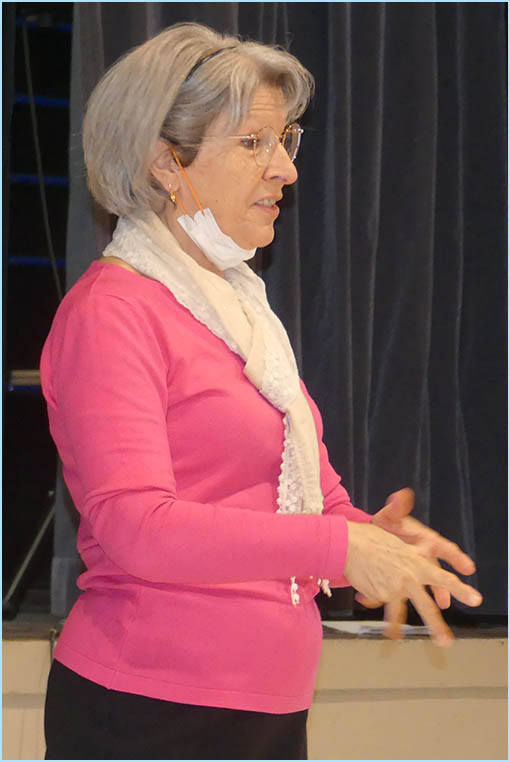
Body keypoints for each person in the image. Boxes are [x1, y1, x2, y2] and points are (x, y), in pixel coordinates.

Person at [41, 22, 482, 761]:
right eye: (253, 143)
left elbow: (308, 505)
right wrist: (340, 546)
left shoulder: (241, 313)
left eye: (285, 141)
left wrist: (375, 540)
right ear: (165, 162)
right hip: (151, 709)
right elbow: (137, 526)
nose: (285, 169)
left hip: (266, 706)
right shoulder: (112, 312)